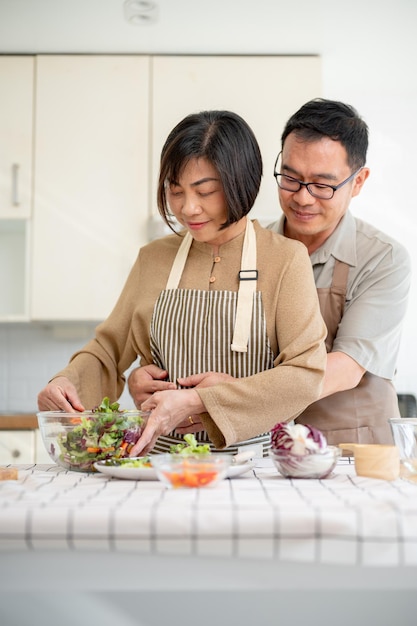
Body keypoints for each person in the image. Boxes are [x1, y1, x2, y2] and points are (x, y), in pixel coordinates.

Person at [37, 109, 327, 457]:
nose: (188, 208)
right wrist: (66, 383)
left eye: (205, 192)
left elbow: (305, 375)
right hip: (159, 462)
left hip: (254, 463)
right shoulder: (152, 258)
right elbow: (107, 353)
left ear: (243, 182)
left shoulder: (285, 259)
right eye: (175, 191)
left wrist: (197, 400)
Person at [267, 98, 411, 444]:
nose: (303, 198)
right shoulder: (251, 249)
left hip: (353, 452)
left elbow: (343, 369)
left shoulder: (383, 258)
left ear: (358, 181)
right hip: (263, 448)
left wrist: (231, 397)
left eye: (322, 185)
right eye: (290, 178)